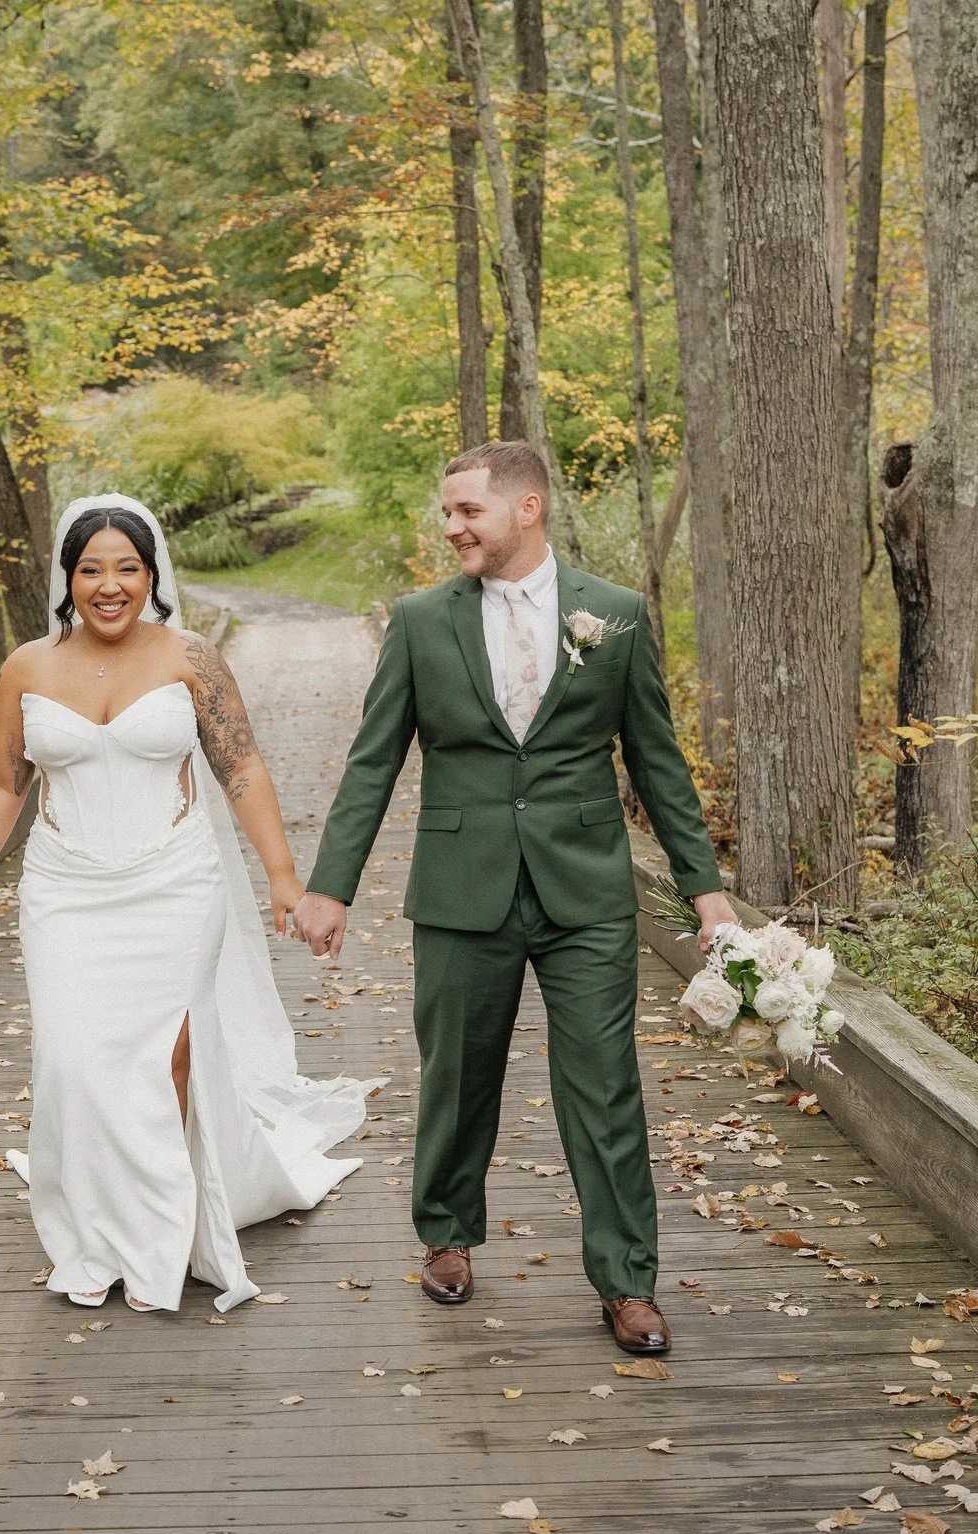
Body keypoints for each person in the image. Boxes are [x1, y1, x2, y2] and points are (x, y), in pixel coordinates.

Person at [292, 441, 739, 1356]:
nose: (450, 526)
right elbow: (374, 759)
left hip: (586, 893)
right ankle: (447, 1232)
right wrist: (330, 885)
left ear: (525, 508)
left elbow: (657, 763)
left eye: (466, 512)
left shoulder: (614, 616)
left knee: (606, 1087)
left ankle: (627, 1281)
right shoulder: (420, 621)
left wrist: (708, 894)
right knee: (458, 1073)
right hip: (463, 887)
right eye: (446, 512)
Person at [0, 494, 373, 1313]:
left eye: (127, 569)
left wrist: (282, 873)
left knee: (166, 1058)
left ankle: (152, 1239)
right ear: (68, 579)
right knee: (71, 1060)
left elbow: (240, 766)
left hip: (176, 881)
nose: (110, 585)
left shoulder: (191, 658)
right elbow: (2, 780)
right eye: (92, 569)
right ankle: (88, 1234)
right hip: (66, 890)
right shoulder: (27, 667)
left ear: (151, 574)